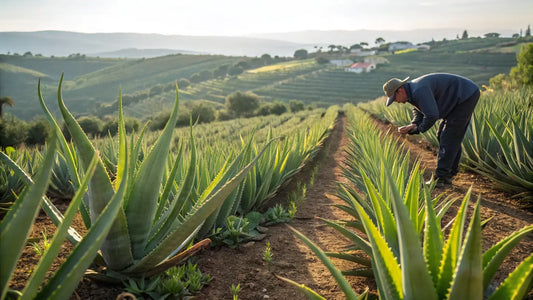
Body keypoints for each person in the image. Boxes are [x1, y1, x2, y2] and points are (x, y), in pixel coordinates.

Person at [382, 73, 480, 187]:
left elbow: (432, 115)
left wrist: (418, 129)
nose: (396, 101)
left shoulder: (418, 90)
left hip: (466, 96)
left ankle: (442, 178)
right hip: (456, 100)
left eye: (395, 98)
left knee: (449, 136)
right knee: (442, 135)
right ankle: (449, 173)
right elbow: (419, 109)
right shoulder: (411, 91)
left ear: (400, 90)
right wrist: (413, 124)